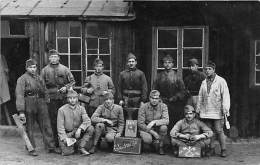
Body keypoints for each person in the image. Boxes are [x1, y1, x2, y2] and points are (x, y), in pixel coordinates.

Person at [15, 59, 58, 156]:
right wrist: (21, 111)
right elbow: (19, 95)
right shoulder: (22, 79)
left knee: (46, 125)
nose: (33, 69)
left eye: (34, 67)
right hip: (29, 103)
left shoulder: (39, 78)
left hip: (41, 103)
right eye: (30, 67)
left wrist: (47, 100)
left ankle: (50, 146)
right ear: (26, 68)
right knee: (29, 127)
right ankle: (31, 148)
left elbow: (45, 90)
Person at [41, 49, 75, 148]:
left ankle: (65, 141)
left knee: (64, 119)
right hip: (51, 99)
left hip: (63, 98)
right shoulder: (45, 70)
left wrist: (66, 87)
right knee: (53, 120)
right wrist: (47, 95)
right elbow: (41, 85)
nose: (54, 59)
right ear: (49, 58)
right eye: (52, 57)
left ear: (59, 58)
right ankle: (55, 143)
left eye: (55, 57)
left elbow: (72, 81)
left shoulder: (64, 69)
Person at [196, 61, 230, 157]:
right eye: (206, 69)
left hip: (217, 110)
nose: (207, 71)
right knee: (209, 131)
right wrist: (198, 109)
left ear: (214, 70)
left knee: (219, 130)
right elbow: (200, 97)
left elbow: (226, 96)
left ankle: (223, 149)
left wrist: (225, 108)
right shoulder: (203, 82)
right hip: (206, 110)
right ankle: (211, 149)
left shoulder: (221, 81)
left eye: (209, 69)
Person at [57, 90, 94, 156]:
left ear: (77, 99)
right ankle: (73, 144)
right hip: (68, 133)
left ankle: (81, 147)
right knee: (67, 152)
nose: (72, 100)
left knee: (90, 128)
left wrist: (80, 129)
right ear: (67, 99)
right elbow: (60, 127)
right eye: (70, 98)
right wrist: (64, 138)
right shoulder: (61, 110)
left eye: (74, 98)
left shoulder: (81, 108)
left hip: (77, 132)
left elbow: (87, 121)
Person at [154, 54, 186, 130]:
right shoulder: (159, 76)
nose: (167, 64)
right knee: (162, 120)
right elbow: (154, 90)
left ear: (172, 64)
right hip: (162, 102)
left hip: (175, 104)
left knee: (174, 121)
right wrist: (159, 98)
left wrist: (176, 97)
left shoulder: (177, 76)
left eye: (169, 62)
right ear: (163, 64)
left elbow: (183, 91)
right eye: (165, 62)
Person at [138, 90, 169, 155]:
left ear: (159, 99)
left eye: (156, 98)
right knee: (147, 140)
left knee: (164, 127)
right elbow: (140, 123)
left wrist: (154, 122)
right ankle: (152, 144)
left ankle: (160, 146)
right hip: (146, 128)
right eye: (152, 98)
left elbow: (166, 120)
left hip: (158, 128)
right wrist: (153, 132)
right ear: (149, 98)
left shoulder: (163, 106)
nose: (154, 100)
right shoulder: (143, 107)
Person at [118, 53, 148, 119]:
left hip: (137, 99)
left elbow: (144, 88)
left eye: (133, 61)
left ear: (136, 62)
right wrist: (120, 99)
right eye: (129, 61)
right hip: (126, 98)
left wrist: (143, 100)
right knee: (125, 116)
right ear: (127, 63)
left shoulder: (140, 73)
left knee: (137, 116)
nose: (131, 63)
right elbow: (119, 87)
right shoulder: (122, 74)